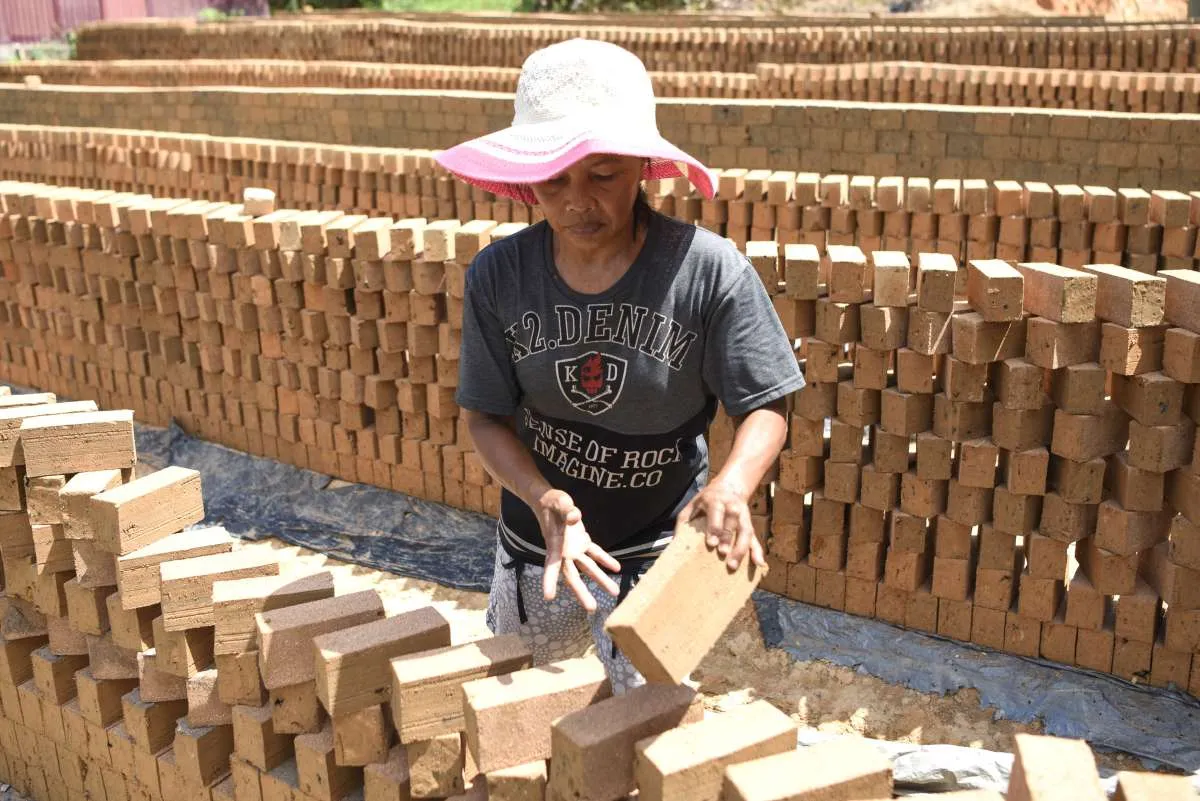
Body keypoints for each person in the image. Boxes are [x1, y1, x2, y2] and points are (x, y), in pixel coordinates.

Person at [436, 38, 804, 693]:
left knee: (644, 724)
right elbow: (484, 417)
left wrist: (733, 484)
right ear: (528, 184)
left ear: (640, 167)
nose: (579, 200)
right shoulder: (500, 275)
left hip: (657, 549)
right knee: (509, 705)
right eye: (555, 180)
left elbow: (765, 404)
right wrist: (544, 500)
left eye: (603, 175)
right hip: (540, 546)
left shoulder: (708, 272)